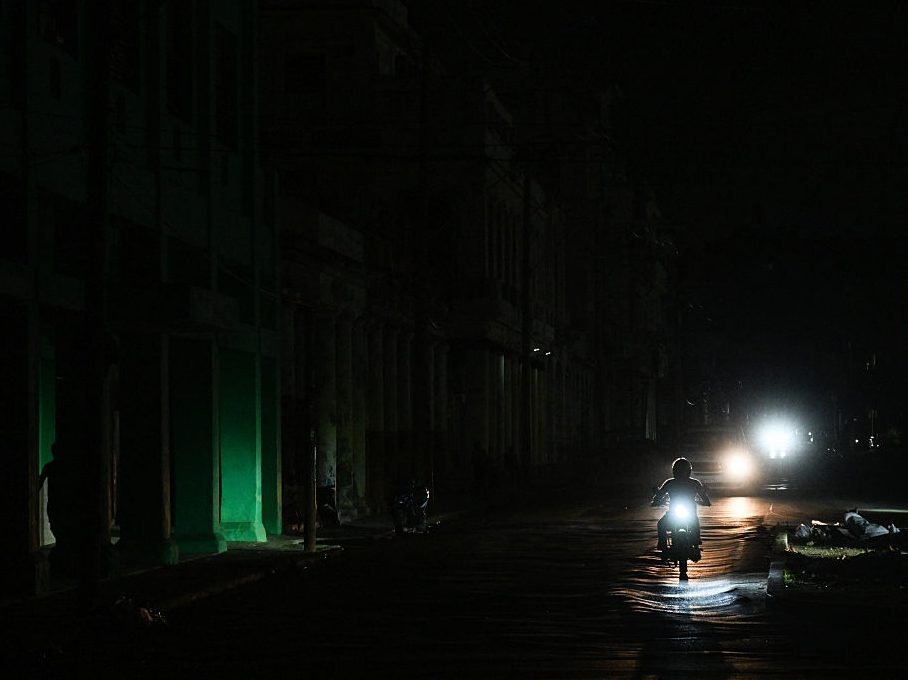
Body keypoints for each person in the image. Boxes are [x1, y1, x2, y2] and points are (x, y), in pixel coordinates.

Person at [651, 457, 711, 552]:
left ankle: (696, 543)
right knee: (661, 524)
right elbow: (659, 495)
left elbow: (705, 498)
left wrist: (705, 502)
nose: (681, 473)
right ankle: (663, 546)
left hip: (689, 514)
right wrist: (656, 501)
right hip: (673, 514)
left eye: (683, 470)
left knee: (694, 521)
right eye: (679, 470)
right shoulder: (673, 483)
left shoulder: (693, 483)